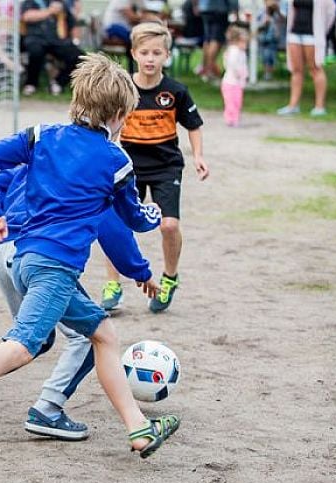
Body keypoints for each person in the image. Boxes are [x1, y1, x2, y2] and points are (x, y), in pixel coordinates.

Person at [0, 54, 180, 475]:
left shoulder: (40, 136)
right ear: (117, 115)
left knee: (104, 334)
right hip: (53, 268)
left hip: (23, 257)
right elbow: (129, 220)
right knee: (23, 346)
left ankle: (139, 429)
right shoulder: (116, 161)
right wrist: (153, 213)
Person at [0, 163, 159, 440]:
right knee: (90, 337)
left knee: (33, 341)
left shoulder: (45, 156)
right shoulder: (93, 172)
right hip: (43, 261)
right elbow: (115, 231)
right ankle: (48, 409)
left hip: (5, 255)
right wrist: (141, 271)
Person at [100, 22, 209, 314]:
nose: (150, 58)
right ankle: (113, 285)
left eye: (157, 53)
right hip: (127, 169)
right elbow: (104, 123)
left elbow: (194, 126)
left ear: (167, 56)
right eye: (145, 52)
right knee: (115, 225)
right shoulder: (121, 88)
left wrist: (198, 155)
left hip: (165, 167)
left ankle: (170, 278)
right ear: (134, 53)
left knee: (169, 224)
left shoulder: (176, 91)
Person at [276, 0, 336, 116]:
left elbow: (331, 11)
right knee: (296, 70)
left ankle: (319, 106)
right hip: (295, 33)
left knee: (315, 68)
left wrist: (322, 29)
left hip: (312, 35)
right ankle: (293, 105)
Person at [21, 0, 85, 96]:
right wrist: (50, 11)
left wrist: (76, 41)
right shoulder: (31, 2)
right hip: (35, 38)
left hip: (57, 40)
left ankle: (58, 83)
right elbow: (26, 17)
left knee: (79, 57)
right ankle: (31, 83)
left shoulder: (60, 3)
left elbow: (73, 24)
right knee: (35, 51)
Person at [197, 0, 238, 79]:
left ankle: (205, 68)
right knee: (216, 39)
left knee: (208, 39)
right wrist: (234, 8)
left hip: (205, 8)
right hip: (219, 9)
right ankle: (210, 70)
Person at [221, 25, 249, 126]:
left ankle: (235, 118)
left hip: (237, 82)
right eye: (244, 42)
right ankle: (230, 118)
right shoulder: (233, 51)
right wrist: (239, 72)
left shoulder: (241, 52)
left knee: (237, 101)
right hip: (230, 81)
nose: (246, 45)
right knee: (230, 101)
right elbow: (231, 64)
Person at [257, 0, 287, 80]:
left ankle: (269, 72)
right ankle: (267, 72)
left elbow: (285, 20)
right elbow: (257, 24)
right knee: (265, 54)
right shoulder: (261, 10)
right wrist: (264, 21)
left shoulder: (281, 8)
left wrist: (277, 10)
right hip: (263, 38)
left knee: (270, 54)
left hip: (276, 39)